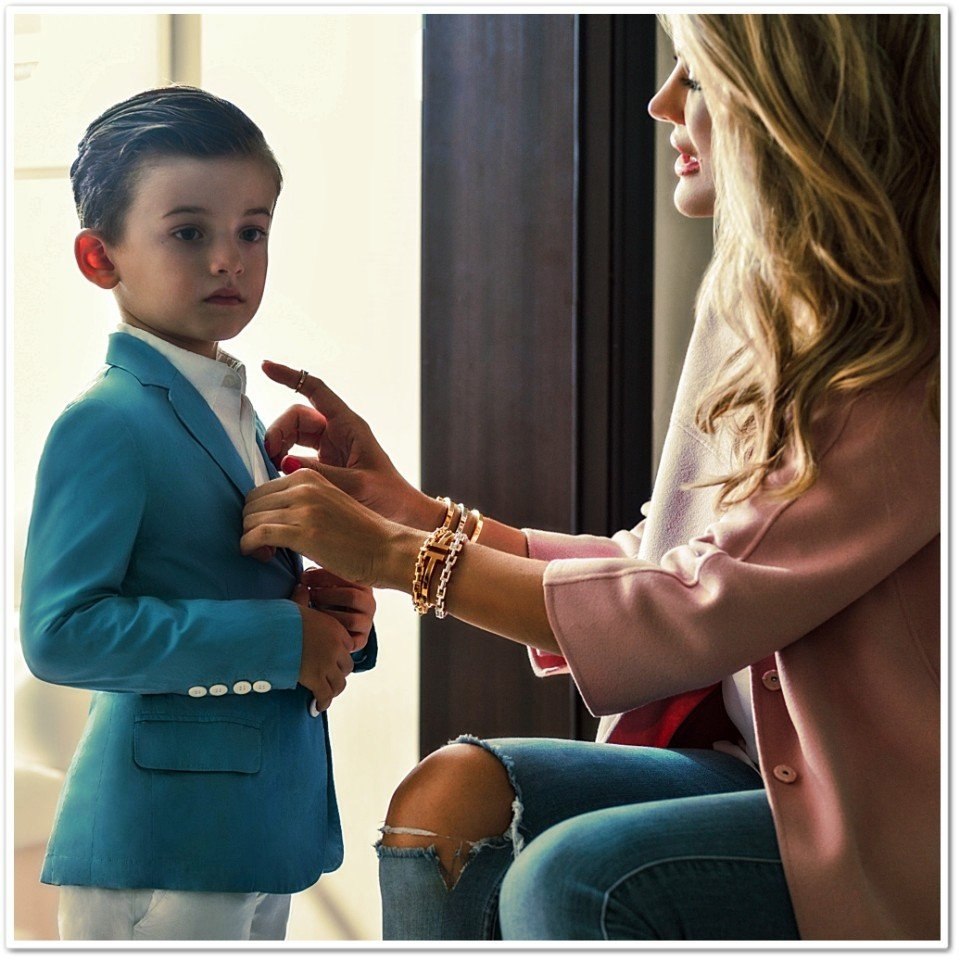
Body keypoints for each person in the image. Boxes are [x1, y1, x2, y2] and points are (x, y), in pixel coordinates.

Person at [241, 12, 940, 941]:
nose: (660, 102)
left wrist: (401, 556)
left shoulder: (917, 360)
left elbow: (698, 604)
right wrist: (420, 517)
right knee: (445, 798)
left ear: (796, 102)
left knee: (576, 880)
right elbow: (664, 559)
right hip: (762, 769)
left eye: (696, 75)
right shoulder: (747, 303)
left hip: (893, 822)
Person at [19, 86, 377, 941]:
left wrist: (335, 621)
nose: (230, 260)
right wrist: (280, 639)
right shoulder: (105, 422)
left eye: (252, 231)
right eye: (189, 233)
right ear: (99, 258)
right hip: (161, 845)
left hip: (256, 829)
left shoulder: (240, 415)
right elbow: (60, 632)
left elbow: (225, 584)